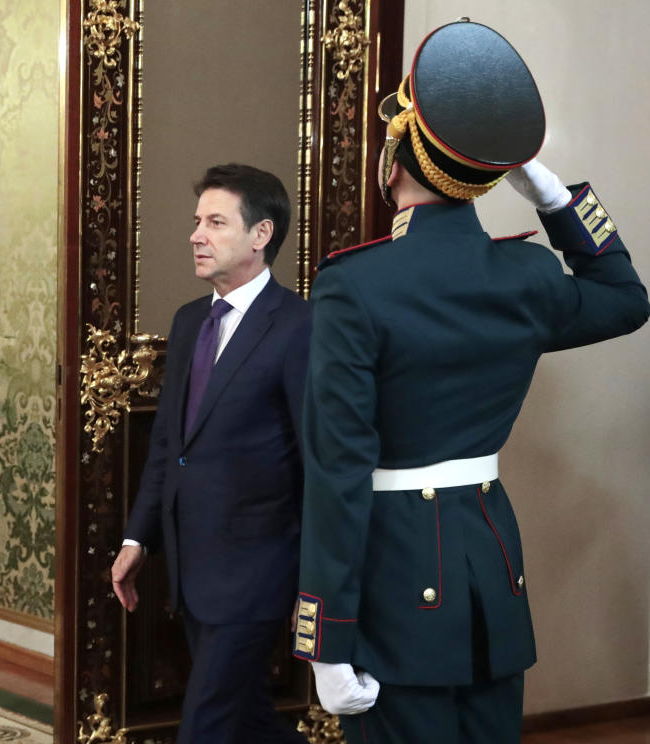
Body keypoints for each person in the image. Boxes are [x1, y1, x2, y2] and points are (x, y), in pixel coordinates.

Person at [293, 20, 649, 744]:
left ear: (391, 162)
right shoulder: (522, 274)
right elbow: (625, 298)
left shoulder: (352, 286)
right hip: (489, 568)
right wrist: (554, 198)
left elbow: (338, 472)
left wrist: (324, 639)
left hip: (394, 582)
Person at [110, 164, 310, 743]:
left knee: (206, 727)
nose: (197, 234)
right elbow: (170, 446)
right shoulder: (191, 318)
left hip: (258, 572)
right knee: (246, 716)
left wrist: (318, 577)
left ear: (261, 234)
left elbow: (316, 459)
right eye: (198, 221)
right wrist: (136, 539)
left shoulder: (300, 326)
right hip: (191, 568)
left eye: (216, 222)